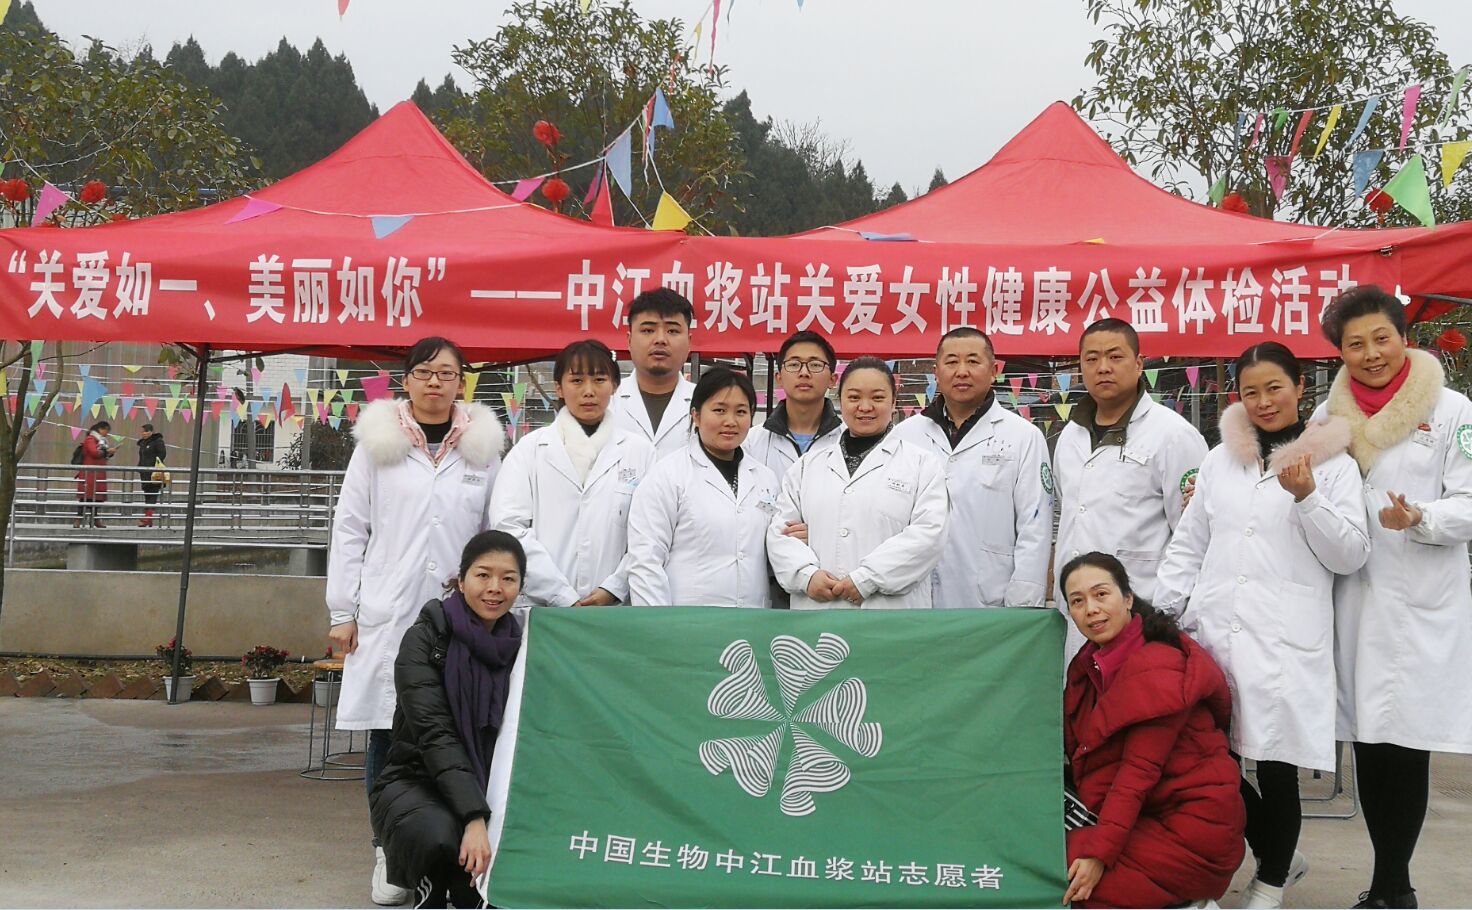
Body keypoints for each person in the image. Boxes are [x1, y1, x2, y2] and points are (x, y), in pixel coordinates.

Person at [1156, 341, 1369, 908]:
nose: (1264, 401)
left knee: (1276, 764)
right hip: (1214, 632)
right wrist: (1163, 612)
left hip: (1283, 639)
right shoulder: (1219, 460)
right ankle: (1276, 854)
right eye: (1250, 391)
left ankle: (1271, 880)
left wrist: (1308, 498)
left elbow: (1350, 554)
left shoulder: (1334, 465)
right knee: (1212, 763)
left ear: (1300, 387)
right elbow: (1190, 542)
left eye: (1275, 387)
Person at [326, 337, 505, 906]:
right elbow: (350, 528)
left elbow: (497, 533)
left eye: (447, 373)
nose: (435, 382)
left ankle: (455, 850)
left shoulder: (483, 449)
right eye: (425, 372)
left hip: (460, 618)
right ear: (406, 380)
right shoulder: (376, 446)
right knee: (388, 733)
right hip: (390, 613)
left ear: (461, 382)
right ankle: (387, 849)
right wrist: (342, 611)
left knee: (457, 732)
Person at [1314, 286, 1472, 909]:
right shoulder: (1327, 421)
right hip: (1353, 598)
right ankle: (1389, 887)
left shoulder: (1453, 410)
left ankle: (1393, 887)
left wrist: (1423, 517)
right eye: (1356, 344)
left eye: (1382, 338)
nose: (1372, 353)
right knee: (1368, 743)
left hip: (1415, 602)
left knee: (1405, 746)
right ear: (1340, 353)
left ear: (1404, 336)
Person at [1060, 552, 1245, 909]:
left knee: (1064, 876)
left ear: (1128, 598)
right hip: (1146, 815)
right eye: (1078, 601)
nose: (1091, 609)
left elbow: (1137, 774)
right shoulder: (1088, 665)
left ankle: (1193, 905)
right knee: (1035, 846)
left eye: (1101, 594)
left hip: (1193, 832)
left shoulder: (1158, 665)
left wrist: (1099, 855)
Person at [370, 530, 525, 910]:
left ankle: (468, 887)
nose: (495, 588)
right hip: (419, 779)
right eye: (483, 575)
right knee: (438, 836)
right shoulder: (424, 640)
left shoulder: (523, 645)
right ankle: (431, 885)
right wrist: (474, 817)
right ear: (461, 580)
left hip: (492, 782)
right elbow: (435, 735)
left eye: (508, 578)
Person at [1054, 318, 1208, 652]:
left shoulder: (1173, 435)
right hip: (1080, 614)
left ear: (1139, 364)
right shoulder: (1070, 436)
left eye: (1115, 356)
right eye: (1092, 359)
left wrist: (1168, 610)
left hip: (1144, 612)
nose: (1103, 367)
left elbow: (1193, 535)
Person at [766, 357, 948, 610]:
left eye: (877, 397)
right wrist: (806, 576)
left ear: (893, 402)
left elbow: (928, 536)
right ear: (840, 401)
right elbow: (780, 533)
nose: (865, 406)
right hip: (818, 609)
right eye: (853, 397)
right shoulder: (807, 466)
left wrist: (867, 579)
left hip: (890, 612)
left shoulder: (922, 465)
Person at [892, 327, 1053, 608]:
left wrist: (1023, 605)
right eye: (952, 362)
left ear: (993, 371)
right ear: (936, 372)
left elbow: (1035, 526)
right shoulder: (905, 435)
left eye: (973, 361)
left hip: (991, 603)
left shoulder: (1023, 436)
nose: (962, 371)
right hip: (913, 601)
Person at [490, 340, 656, 607]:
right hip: (541, 606)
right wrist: (560, 594)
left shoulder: (640, 452)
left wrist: (614, 587)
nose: (588, 391)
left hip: (614, 608)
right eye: (577, 380)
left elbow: (650, 533)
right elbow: (509, 527)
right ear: (559, 387)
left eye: (599, 380)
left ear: (615, 386)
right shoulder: (530, 450)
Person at [627, 368, 781, 608]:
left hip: (752, 618)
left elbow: (775, 545)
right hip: (687, 620)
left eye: (741, 412)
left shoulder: (765, 479)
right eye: (719, 410)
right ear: (696, 416)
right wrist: (657, 622)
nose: (730, 421)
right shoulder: (667, 475)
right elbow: (645, 560)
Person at [608, 287, 697, 460]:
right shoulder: (606, 402)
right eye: (648, 330)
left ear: (689, 342)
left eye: (673, 331)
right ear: (629, 340)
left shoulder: (707, 403)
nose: (660, 340)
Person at [743, 330, 844, 477]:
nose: (804, 372)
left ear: (832, 380)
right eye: (794, 364)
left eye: (815, 365)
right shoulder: (751, 442)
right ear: (779, 378)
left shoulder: (848, 440)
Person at [74, 420, 115, 528]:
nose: (107, 433)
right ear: (101, 429)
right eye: (106, 430)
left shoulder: (101, 441)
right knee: (86, 497)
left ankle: (95, 519)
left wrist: (108, 453)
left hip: (97, 472)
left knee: (97, 497)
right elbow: (94, 452)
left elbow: (101, 454)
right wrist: (107, 452)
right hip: (90, 473)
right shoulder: (90, 439)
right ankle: (79, 519)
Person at [136, 423, 167, 527]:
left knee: (153, 494)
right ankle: (148, 518)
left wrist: (154, 465)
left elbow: (162, 454)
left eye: (146, 431)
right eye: (142, 432)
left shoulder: (157, 441)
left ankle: (148, 517)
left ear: (151, 432)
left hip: (154, 472)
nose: (144, 433)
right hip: (144, 473)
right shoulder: (142, 443)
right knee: (147, 494)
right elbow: (142, 457)